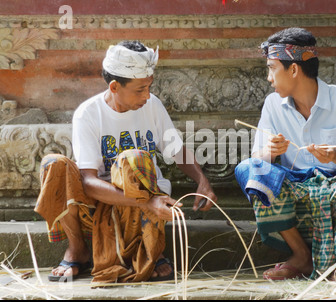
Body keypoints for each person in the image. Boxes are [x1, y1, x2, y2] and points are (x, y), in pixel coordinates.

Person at [35, 40, 217, 283]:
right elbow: (87, 181)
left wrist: (202, 181)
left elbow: (175, 148)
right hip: (103, 203)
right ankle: (78, 249)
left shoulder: (152, 105)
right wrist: (146, 201)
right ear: (114, 86)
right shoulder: (88, 114)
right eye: (140, 89)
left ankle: (152, 248)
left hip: (143, 202)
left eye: (149, 87)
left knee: (136, 159)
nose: (147, 96)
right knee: (53, 164)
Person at [235, 28, 336, 280]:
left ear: (293, 70)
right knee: (247, 168)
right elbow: (258, 160)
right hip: (295, 187)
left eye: (272, 68)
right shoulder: (273, 104)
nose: (269, 78)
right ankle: (301, 255)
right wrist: (270, 152)